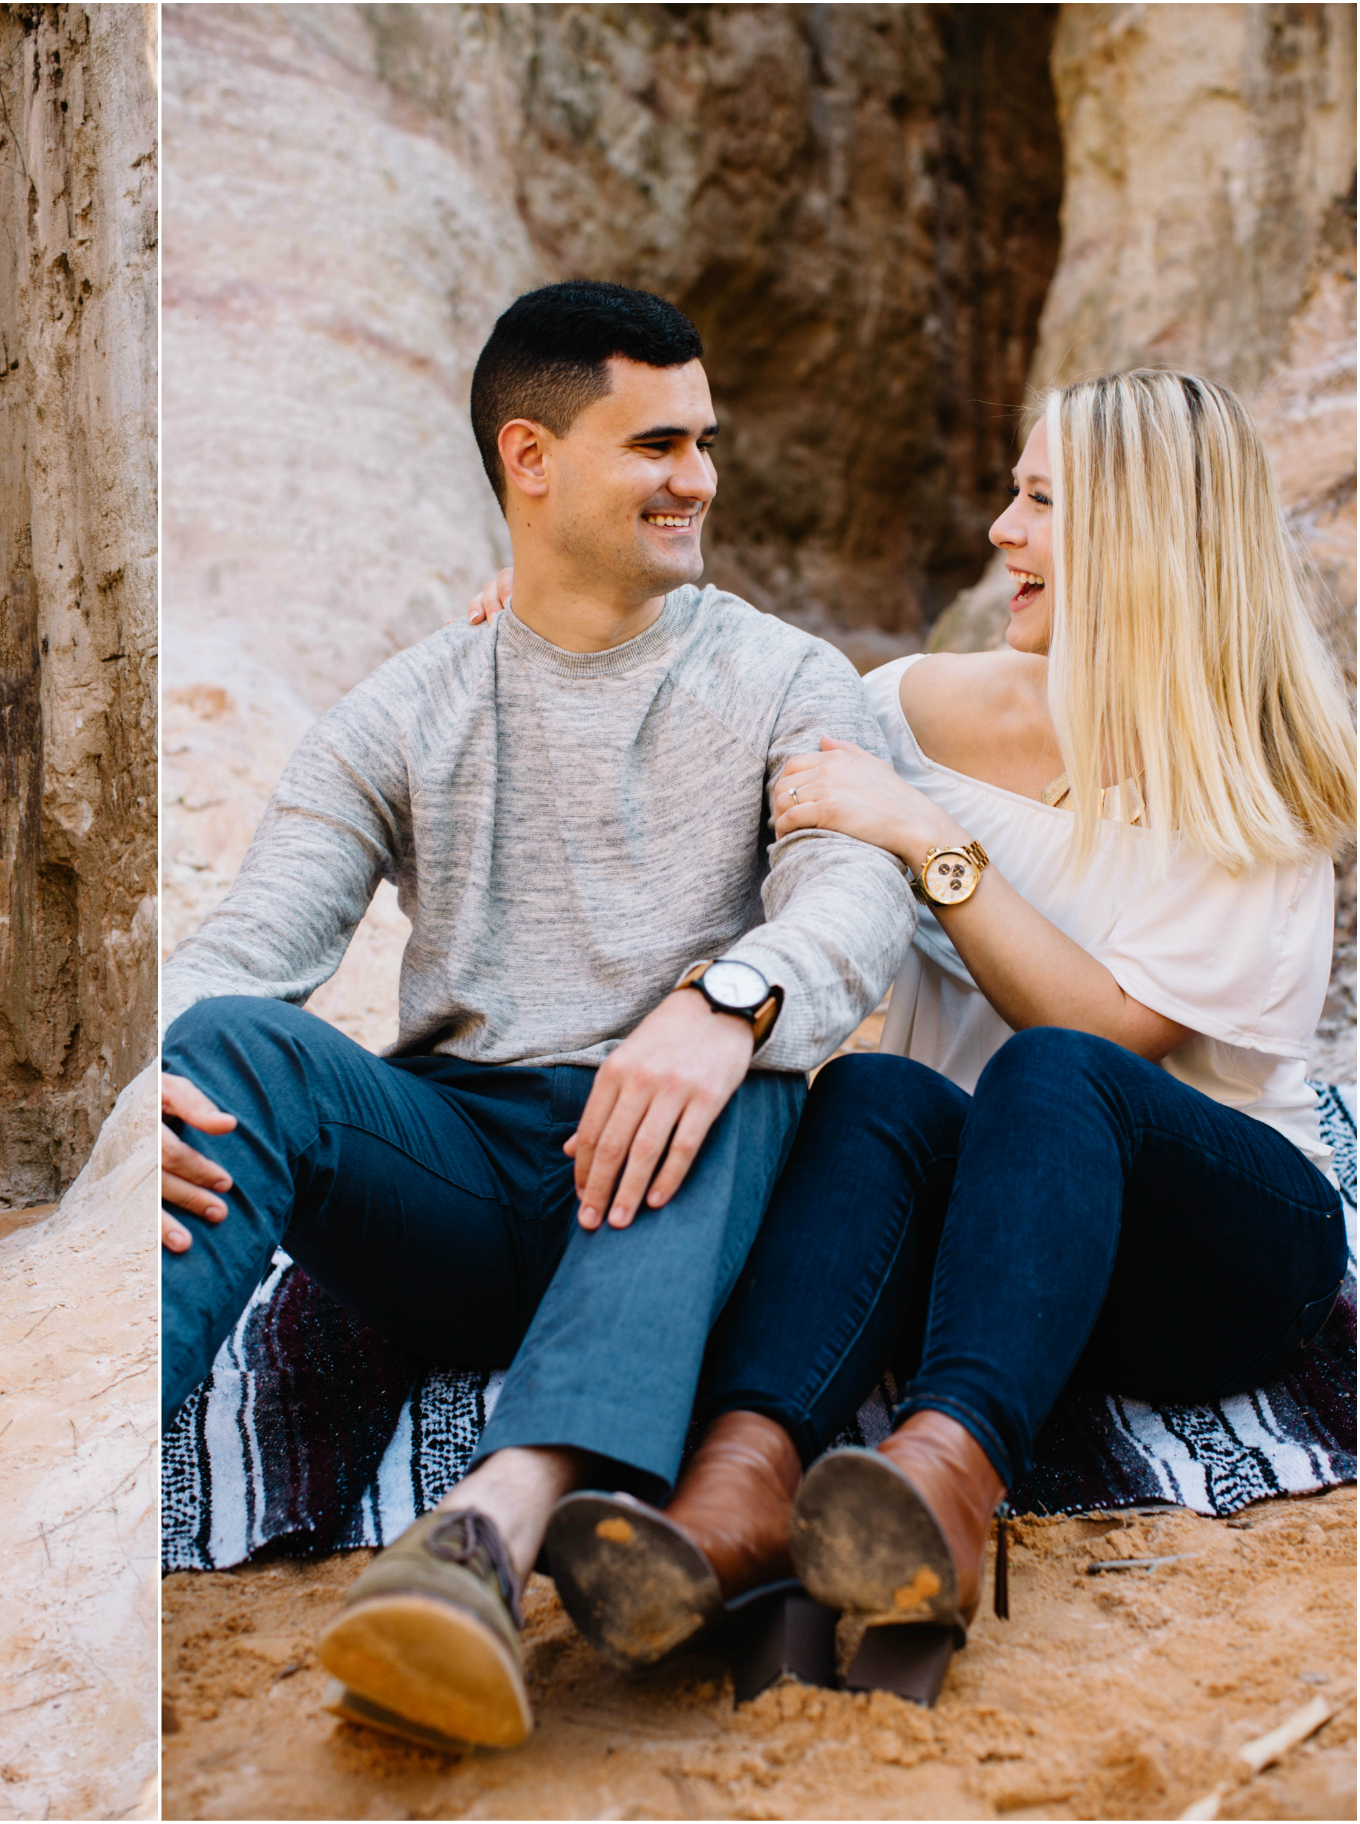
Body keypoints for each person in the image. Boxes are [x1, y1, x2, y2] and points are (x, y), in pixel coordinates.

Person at [476, 368, 1353, 1695]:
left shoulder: (1255, 773)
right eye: (1014, 490)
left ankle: (941, 1488)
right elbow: (717, 726)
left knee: (1061, 1069)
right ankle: (740, 1499)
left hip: (1206, 1257)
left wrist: (928, 840)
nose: (1002, 529)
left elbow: (1105, 1030)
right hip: (993, 1251)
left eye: (1043, 501)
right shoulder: (912, 713)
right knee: (873, 1086)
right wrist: (567, 635)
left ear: (1147, 538)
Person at [160, 280, 917, 1749]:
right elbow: (254, 944)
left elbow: (857, 894)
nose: (699, 477)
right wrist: (139, 1093)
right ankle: (96, 1464)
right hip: (459, 1175)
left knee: (745, 1074)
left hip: (682, 1187)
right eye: (658, 444)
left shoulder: (783, 677)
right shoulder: (402, 706)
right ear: (532, 457)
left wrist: (728, 993)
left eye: (705, 441)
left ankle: (487, 1536)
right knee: (213, 1055)